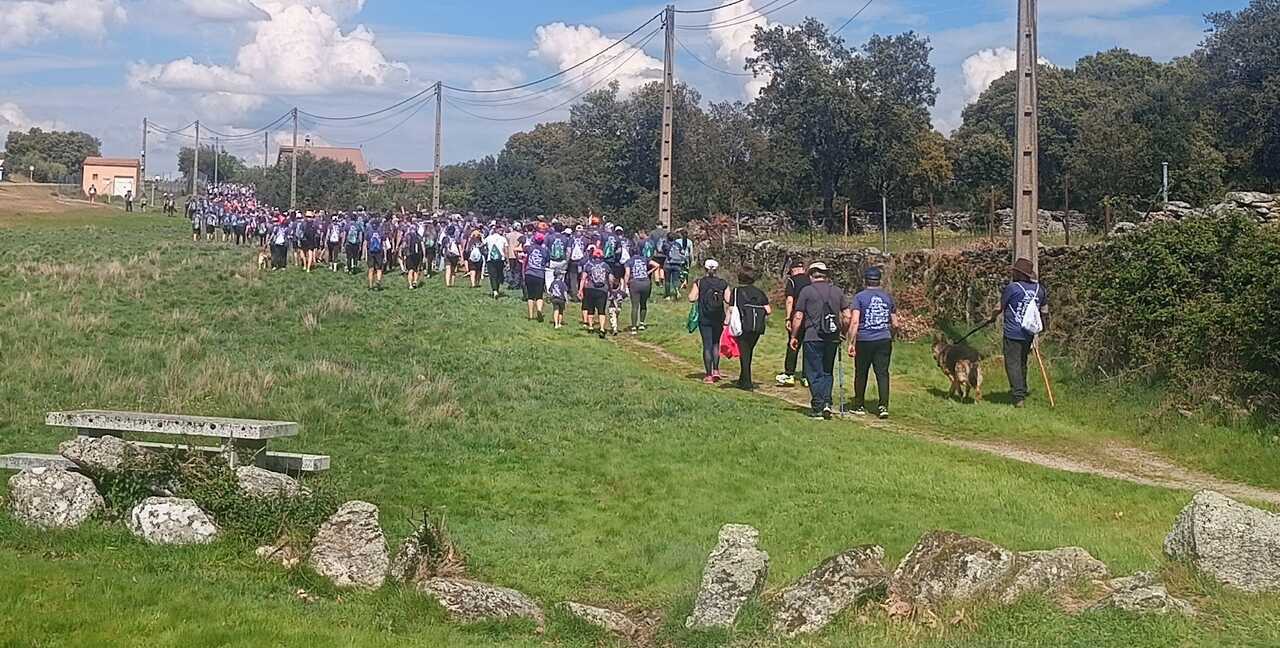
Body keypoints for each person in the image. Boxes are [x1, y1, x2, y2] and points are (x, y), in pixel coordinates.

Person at [790, 262, 850, 420]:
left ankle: (818, 405)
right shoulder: (837, 291)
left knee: (812, 371)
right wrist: (843, 332)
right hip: (832, 337)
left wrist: (794, 336)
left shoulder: (807, 291)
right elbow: (847, 316)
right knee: (827, 371)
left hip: (812, 336)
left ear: (811, 275)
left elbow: (798, 316)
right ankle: (827, 403)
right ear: (826, 275)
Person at [993, 257, 1049, 408]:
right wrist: (1041, 328)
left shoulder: (1012, 288)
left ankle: (1018, 397)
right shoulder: (1040, 289)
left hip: (1012, 332)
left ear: (1019, 274)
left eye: (1015, 272)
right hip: (1028, 333)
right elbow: (1044, 310)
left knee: (1012, 364)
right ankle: (1022, 390)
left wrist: (992, 318)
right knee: (1022, 362)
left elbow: (999, 307)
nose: (1013, 274)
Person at [848, 267, 898, 419]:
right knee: (882, 373)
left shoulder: (859, 297)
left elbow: (855, 321)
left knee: (861, 373)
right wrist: (891, 335)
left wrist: (850, 342)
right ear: (879, 281)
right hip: (883, 338)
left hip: (864, 339)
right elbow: (895, 323)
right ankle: (883, 406)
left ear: (865, 280)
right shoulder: (888, 297)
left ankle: (859, 405)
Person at [726, 266, 771, 391]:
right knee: (748, 352)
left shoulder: (736, 292)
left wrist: (726, 323)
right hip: (756, 327)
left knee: (744, 354)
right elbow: (768, 310)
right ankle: (742, 379)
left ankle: (747, 382)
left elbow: (731, 309)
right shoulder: (759, 292)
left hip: (743, 326)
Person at [688, 259, 729, 384]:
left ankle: (708, 375)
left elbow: (691, 298)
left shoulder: (700, 282)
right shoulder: (723, 283)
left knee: (707, 345)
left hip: (704, 318)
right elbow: (728, 299)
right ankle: (716, 370)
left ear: (705, 269)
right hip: (718, 317)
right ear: (716, 270)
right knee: (716, 343)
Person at [777, 260, 810, 387]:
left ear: (793, 270)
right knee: (808, 347)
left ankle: (789, 374)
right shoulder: (810, 280)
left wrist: (787, 318)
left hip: (796, 316)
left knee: (793, 343)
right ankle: (806, 376)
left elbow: (790, 300)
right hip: (810, 317)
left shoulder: (792, 281)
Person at [579, 248, 613, 339]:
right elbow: (610, 279)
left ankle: (590, 326)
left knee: (590, 308)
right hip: (602, 290)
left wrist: (580, 290)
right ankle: (602, 328)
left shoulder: (588, 265)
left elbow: (583, 278)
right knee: (601, 310)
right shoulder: (606, 266)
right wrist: (610, 289)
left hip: (590, 289)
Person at [622, 245, 657, 333]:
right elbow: (657, 265)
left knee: (635, 306)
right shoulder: (644, 259)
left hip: (635, 283)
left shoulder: (628, 261)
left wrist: (625, 285)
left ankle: (634, 327)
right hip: (646, 282)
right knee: (643, 303)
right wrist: (648, 272)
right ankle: (641, 323)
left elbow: (627, 274)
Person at [523, 232, 549, 321]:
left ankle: (530, 315)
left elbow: (523, 249)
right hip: (540, 274)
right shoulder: (545, 250)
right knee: (539, 296)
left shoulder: (530, 248)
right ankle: (539, 310)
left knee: (530, 296)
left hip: (529, 273)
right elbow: (547, 261)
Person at [482, 226, 508, 299]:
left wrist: (484, 251)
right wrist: (507, 260)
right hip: (501, 259)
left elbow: (482, 244)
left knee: (492, 275)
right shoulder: (503, 239)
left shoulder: (489, 238)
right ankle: (497, 289)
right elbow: (506, 250)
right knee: (499, 274)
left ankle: (494, 290)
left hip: (490, 259)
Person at [664, 231, 690, 300]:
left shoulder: (665, 244)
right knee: (676, 279)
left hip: (668, 263)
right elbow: (681, 252)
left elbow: (663, 251)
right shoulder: (677, 244)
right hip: (677, 264)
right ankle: (677, 291)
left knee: (667, 280)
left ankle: (667, 295)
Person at [365, 218, 387, 290]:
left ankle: (370, 285)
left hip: (370, 251)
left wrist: (364, 254)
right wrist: (385, 256)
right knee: (379, 268)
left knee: (371, 269)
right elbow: (384, 244)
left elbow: (365, 243)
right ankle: (378, 281)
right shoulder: (381, 232)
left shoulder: (369, 232)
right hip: (379, 251)